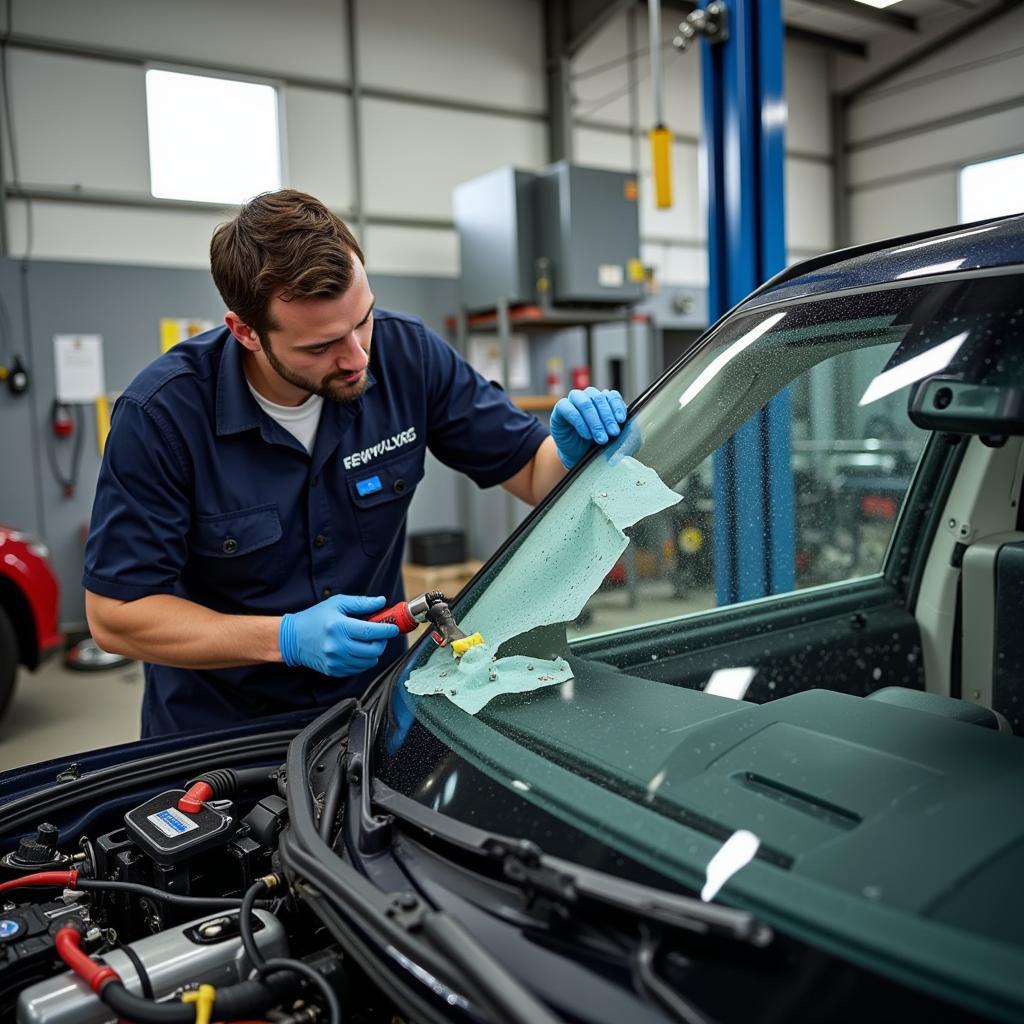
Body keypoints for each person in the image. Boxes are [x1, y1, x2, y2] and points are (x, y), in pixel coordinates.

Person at [83, 190, 628, 737]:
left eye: (363, 320)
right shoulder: (162, 417)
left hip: (373, 713)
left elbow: (535, 474)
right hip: (221, 734)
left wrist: (570, 452)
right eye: (321, 347)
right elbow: (117, 615)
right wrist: (284, 638)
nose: (357, 357)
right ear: (246, 331)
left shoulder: (408, 354)